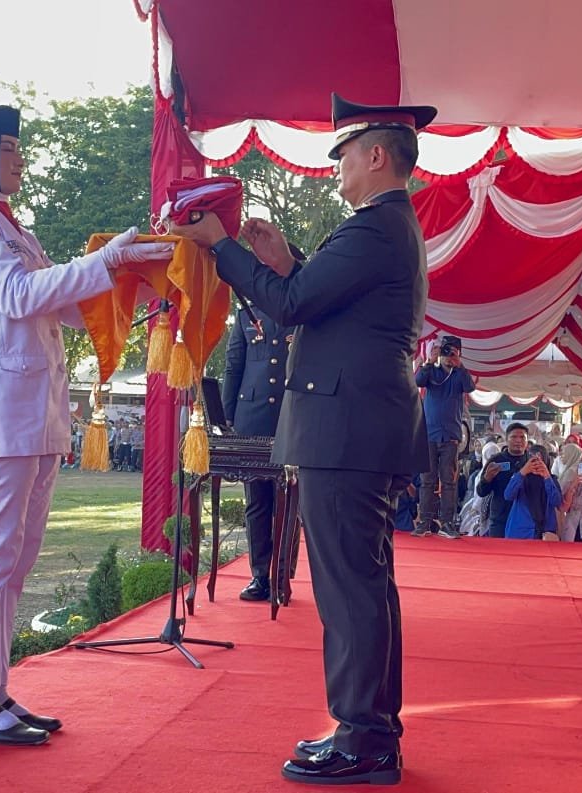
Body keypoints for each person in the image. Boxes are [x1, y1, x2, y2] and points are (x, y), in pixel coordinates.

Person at [171, 93, 434, 784]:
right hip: (359, 427)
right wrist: (285, 259)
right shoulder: (386, 226)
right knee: (364, 585)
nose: (337, 166)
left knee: (350, 590)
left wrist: (221, 246)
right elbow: (317, 292)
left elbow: (293, 305)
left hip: (346, 430)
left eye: (344, 153)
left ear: (375, 155)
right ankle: (369, 730)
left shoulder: (374, 226)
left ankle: (363, 738)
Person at [0, 102, 171, 746]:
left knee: (14, 561)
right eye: (8, 147)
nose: (20, 158)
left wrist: (146, 287)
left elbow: (58, 306)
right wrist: (107, 263)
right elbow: (16, 295)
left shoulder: (11, 228)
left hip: (29, 418)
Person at [221, 302, 292, 602]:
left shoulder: (299, 311)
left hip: (290, 416)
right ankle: (260, 575)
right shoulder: (246, 316)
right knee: (257, 502)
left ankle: (282, 574)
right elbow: (234, 365)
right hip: (252, 419)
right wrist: (226, 417)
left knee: (289, 502)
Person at [413, 334, 475, 538]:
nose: (448, 356)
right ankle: (424, 522)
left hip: (450, 436)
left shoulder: (459, 375)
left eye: (452, 352)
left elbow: (470, 387)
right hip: (429, 434)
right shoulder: (432, 372)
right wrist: (429, 361)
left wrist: (459, 364)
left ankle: (447, 524)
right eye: (445, 351)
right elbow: (418, 381)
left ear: (459, 353)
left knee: (449, 481)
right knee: (427, 480)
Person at [478, 422, 533, 538]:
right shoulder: (496, 460)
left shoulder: (533, 462)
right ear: (506, 440)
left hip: (525, 522)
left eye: (522, 437)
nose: (518, 441)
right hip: (500, 519)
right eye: (514, 437)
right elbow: (481, 492)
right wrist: (487, 479)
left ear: (527, 441)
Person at [504, 445, 562, 539]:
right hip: (520, 533)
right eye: (532, 460)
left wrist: (546, 476)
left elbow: (556, 502)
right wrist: (523, 472)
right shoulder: (520, 478)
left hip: (544, 534)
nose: (536, 464)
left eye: (540, 460)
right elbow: (508, 495)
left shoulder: (551, 479)